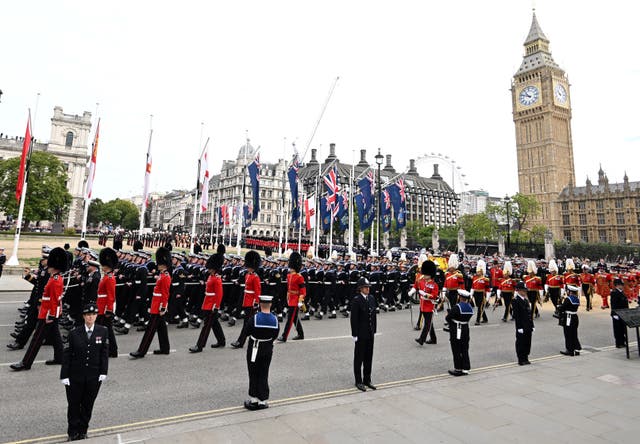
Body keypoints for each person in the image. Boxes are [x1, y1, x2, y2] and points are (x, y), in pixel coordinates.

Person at [11, 247, 68, 371]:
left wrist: (51, 315)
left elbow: (55, 300)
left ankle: (26, 363)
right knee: (56, 335)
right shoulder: (54, 278)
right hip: (47, 311)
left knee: (36, 339)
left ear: (53, 266)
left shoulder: (55, 280)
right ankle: (60, 357)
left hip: (48, 314)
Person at [60, 303, 109, 441]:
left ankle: (83, 430)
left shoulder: (103, 331)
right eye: (88, 315)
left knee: (88, 405)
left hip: (94, 376)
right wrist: (64, 375)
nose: (90, 317)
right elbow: (67, 355)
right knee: (74, 405)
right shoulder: (74, 333)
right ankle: (72, 432)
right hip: (75, 376)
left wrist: (103, 371)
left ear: (96, 316)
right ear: (83, 316)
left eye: (93, 314)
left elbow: (104, 354)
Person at [129, 247, 172, 358]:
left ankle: (141, 351)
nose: (158, 265)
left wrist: (163, 308)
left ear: (164, 264)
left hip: (158, 307)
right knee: (161, 328)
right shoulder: (162, 275)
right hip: (156, 304)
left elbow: (165, 294)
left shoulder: (166, 277)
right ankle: (165, 348)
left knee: (150, 330)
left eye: (160, 263)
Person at [244, 295, 279, 411]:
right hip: (267, 348)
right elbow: (275, 335)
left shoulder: (254, 318)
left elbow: (247, 331)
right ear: (270, 305)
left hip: (254, 347)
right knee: (264, 373)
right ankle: (263, 401)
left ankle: (253, 399)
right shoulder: (275, 319)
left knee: (253, 372)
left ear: (260, 304)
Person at [189, 253, 226, 352]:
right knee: (214, 323)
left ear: (214, 268)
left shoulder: (217, 279)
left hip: (212, 305)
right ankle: (221, 340)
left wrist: (216, 306)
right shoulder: (211, 276)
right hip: (208, 302)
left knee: (206, 326)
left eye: (210, 268)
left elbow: (219, 294)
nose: (208, 269)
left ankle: (200, 345)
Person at [350, 277, 378, 392]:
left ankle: (367, 379)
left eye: (368, 287)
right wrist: (354, 334)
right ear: (360, 288)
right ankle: (358, 381)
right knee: (359, 358)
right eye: (366, 287)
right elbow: (354, 319)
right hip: (361, 334)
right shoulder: (356, 300)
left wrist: (374, 330)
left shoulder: (371, 298)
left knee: (368, 357)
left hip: (370, 333)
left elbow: (374, 316)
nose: (368, 289)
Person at [231, 250, 262, 349]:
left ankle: (240, 342)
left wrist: (256, 303)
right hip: (246, 300)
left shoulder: (255, 277)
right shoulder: (248, 275)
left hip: (251, 303)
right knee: (251, 324)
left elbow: (257, 291)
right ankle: (256, 339)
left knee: (247, 324)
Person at [278, 252, 306, 342]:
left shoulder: (299, 277)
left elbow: (303, 291)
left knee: (290, 319)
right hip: (290, 298)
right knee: (294, 318)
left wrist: (300, 301)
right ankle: (301, 334)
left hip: (296, 300)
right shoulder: (289, 275)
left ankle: (284, 336)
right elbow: (288, 289)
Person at [445, 289, 474, 376]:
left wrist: (448, 315)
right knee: (465, 349)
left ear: (460, 297)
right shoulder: (469, 307)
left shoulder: (457, 307)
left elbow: (448, 318)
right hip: (465, 328)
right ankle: (466, 368)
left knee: (456, 349)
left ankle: (458, 368)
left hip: (457, 329)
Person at [96, 248, 118, 358]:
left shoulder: (110, 278)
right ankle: (111, 350)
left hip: (104, 308)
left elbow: (111, 296)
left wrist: (109, 309)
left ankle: (109, 350)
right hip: (101, 305)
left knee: (103, 330)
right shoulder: (106, 276)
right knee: (107, 330)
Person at [414, 260, 439, 345]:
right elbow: (416, 286)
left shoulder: (434, 285)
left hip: (430, 307)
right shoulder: (422, 282)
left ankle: (422, 339)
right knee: (430, 324)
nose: (424, 276)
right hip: (423, 306)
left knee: (427, 324)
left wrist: (426, 295)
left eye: (426, 274)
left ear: (430, 275)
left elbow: (434, 295)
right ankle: (433, 339)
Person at [512, 281, 534, 366]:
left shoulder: (525, 300)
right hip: (521, 326)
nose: (525, 292)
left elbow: (529, 314)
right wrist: (519, 327)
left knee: (527, 342)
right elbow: (517, 316)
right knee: (521, 342)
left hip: (528, 325)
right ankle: (521, 359)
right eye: (524, 291)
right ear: (519, 291)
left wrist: (532, 325)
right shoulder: (515, 300)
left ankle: (526, 357)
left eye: (525, 291)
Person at [557, 285, 582, 356]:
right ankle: (577, 349)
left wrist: (559, 306)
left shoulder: (568, 299)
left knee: (568, 334)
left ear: (570, 291)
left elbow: (563, 308)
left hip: (568, 318)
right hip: (575, 317)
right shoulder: (576, 299)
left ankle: (570, 350)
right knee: (574, 333)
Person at [610, 278, 629, 348]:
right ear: (617, 285)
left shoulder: (622, 292)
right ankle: (618, 343)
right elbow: (613, 304)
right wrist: (614, 314)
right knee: (617, 330)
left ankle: (623, 342)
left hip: (623, 314)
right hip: (617, 314)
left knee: (623, 329)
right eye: (621, 285)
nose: (622, 286)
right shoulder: (614, 293)